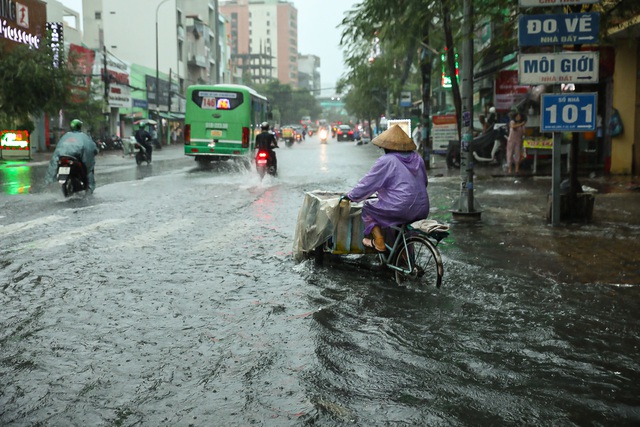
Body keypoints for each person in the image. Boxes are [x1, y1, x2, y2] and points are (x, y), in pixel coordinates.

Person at [343, 125, 430, 252]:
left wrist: (350, 196)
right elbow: (424, 182)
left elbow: (368, 183)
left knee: (368, 207)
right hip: (422, 208)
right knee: (403, 227)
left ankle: (379, 242)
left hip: (401, 207)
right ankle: (404, 257)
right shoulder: (418, 158)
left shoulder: (387, 160)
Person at [46, 119, 98, 193]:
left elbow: (58, 149)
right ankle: (89, 187)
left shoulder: (66, 136)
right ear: (80, 126)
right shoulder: (84, 137)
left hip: (62, 158)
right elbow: (91, 148)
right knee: (89, 171)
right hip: (74, 160)